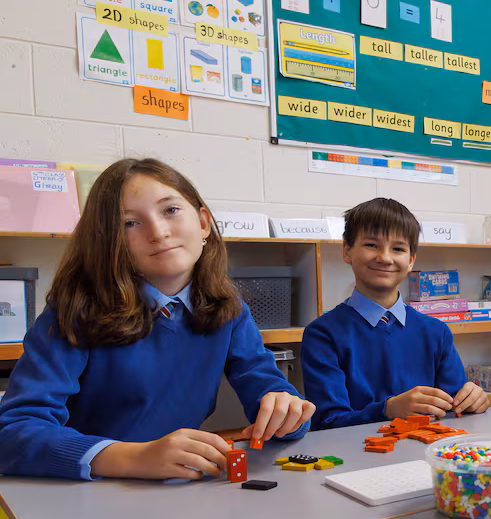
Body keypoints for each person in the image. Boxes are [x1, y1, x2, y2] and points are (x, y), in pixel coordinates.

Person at [0, 158, 313, 481]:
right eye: (129, 223)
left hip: (178, 490)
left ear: (203, 223)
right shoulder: (74, 311)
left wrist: (288, 412)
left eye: (170, 210)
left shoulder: (228, 308)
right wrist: (133, 457)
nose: (159, 232)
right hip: (88, 493)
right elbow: (13, 433)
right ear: (109, 242)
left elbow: (268, 388)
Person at [301, 198, 487, 430]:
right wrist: (387, 410)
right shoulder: (322, 334)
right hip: (356, 452)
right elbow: (326, 423)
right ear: (347, 251)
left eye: (398, 249)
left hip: (426, 449)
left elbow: (454, 407)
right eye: (371, 245)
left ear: (410, 261)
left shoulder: (436, 332)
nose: (385, 258)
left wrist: (473, 400)